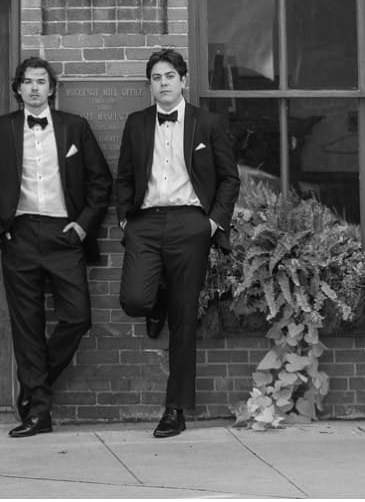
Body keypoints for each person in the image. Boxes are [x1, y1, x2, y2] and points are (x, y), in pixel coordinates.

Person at [0, 54, 112, 438]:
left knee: (78, 317)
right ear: (18, 89)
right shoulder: (3, 129)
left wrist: (82, 227)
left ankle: (35, 388)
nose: (34, 88)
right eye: (27, 82)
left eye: (41, 82)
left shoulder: (74, 128)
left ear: (51, 89)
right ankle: (39, 413)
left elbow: (101, 183)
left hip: (65, 237)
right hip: (21, 236)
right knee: (27, 327)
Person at [115, 46, 238, 439]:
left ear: (183, 81)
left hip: (191, 223)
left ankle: (175, 408)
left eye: (170, 76)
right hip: (146, 224)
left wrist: (213, 223)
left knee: (184, 321)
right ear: (149, 85)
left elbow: (229, 178)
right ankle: (158, 296)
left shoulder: (208, 123)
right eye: (156, 78)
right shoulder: (136, 123)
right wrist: (125, 218)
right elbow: (123, 177)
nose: (163, 83)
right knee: (134, 300)